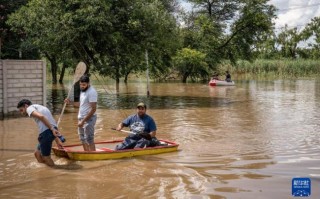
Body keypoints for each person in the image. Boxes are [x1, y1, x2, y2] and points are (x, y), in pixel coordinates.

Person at [17, 99, 64, 167]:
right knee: (37, 154)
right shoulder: (40, 107)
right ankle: (46, 169)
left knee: (46, 157)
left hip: (47, 132)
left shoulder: (29, 108)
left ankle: (55, 171)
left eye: (21, 110)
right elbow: (53, 124)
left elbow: (41, 117)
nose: (21, 113)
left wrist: (52, 129)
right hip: (49, 131)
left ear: (26, 106)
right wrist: (57, 140)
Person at [65, 74, 98, 151]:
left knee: (89, 139)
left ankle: (92, 156)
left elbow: (93, 109)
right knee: (82, 139)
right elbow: (81, 104)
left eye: (84, 85)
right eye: (81, 84)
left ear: (88, 83)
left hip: (89, 119)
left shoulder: (92, 92)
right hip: (81, 118)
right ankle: (86, 154)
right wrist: (70, 102)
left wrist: (83, 121)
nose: (82, 86)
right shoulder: (83, 91)